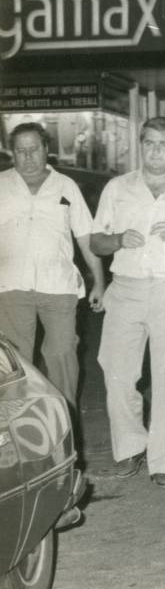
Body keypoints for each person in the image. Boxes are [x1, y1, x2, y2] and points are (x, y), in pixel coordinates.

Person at [90, 117, 165, 488]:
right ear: (139, 145)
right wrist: (115, 242)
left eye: (164, 144)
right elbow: (96, 242)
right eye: (149, 143)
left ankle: (163, 460)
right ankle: (129, 448)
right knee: (118, 374)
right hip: (126, 287)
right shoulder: (117, 187)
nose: (156, 151)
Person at [0, 122, 106, 407]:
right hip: (11, 287)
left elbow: (85, 236)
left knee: (62, 356)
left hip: (58, 285)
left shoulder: (66, 186)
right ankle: (20, 434)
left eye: (34, 149)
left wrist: (99, 281)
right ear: (13, 154)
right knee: (14, 365)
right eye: (21, 151)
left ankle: (64, 426)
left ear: (46, 149)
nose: (28, 156)